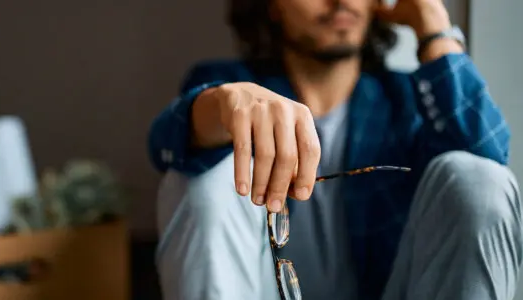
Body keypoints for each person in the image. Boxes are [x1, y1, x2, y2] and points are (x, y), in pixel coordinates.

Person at [147, 0, 523, 299]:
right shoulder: (228, 82)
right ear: (272, 6)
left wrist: (434, 28)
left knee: (478, 175)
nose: (341, 1)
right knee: (204, 169)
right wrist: (222, 103)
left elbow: (487, 164)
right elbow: (166, 146)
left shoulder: (410, 100)